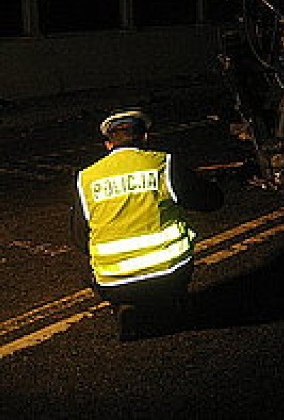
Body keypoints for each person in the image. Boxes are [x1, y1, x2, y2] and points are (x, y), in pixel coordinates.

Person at [70, 108, 223, 341]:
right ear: (145, 138)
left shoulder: (86, 177)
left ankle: (124, 305)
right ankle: (174, 302)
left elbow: (80, 239)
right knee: (183, 231)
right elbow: (210, 201)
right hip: (168, 274)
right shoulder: (162, 163)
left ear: (108, 145)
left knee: (87, 255)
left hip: (113, 281)